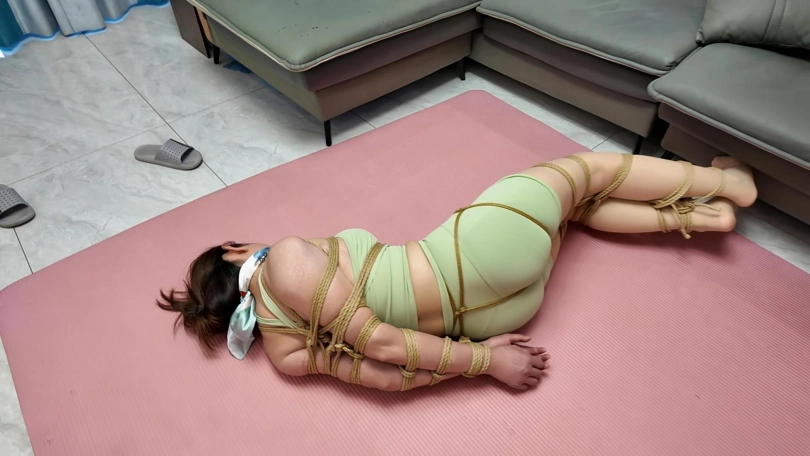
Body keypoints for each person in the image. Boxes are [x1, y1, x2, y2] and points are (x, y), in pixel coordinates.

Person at [158, 153, 757, 392]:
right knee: (584, 174)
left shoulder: (284, 356)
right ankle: (727, 183)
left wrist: (487, 356)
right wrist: (489, 363)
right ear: (236, 251)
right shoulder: (286, 257)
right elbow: (382, 343)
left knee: (571, 212)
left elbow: (387, 378)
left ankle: (706, 217)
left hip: (497, 315)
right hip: (479, 254)